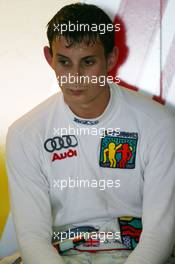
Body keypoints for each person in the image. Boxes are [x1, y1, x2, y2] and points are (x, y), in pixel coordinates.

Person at [6, 3, 175, 264]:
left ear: (110, 59)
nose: (75, 77)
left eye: (88, 62)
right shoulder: (25, 134)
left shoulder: (159, 125)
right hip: (61, 254)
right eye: (64, 62)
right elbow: (33, 238)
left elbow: (159, 235)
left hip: (136, 252)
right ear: (49, 59)